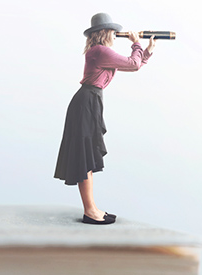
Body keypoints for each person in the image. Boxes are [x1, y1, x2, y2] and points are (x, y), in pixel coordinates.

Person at [54, 13, 156, 224]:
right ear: (106, 33)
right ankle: (90, 211)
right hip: (86, 103)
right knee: (84, 158)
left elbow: (132, 65)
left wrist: (146, 52)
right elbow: (133, 63)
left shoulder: (100, 52)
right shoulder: (100, 51)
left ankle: (92, 208)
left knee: (87, 157)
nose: (115, 35)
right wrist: (136, 43)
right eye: (113, 32)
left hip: (91, 102)